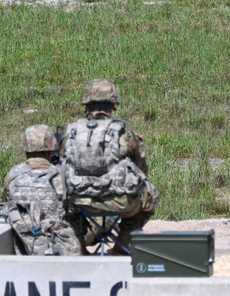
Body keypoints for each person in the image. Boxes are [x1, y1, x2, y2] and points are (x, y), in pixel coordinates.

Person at [61, 79, 159, 254]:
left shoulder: (71, 131)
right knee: (150, 195)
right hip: (116, 201)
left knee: (65, 208)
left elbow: (61, 164)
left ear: (86, 104)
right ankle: (122, 247)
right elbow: (141, 167)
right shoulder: (123, 131)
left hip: (78, 201)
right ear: (113, 104)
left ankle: (78, 250)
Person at [1, 125, 80, 256]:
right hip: (60, 243)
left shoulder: (13, 174)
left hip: (26, 244)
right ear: (51, 151)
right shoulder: (62, 174)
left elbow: (6, 202)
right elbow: (72, 209)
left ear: (25, 149)